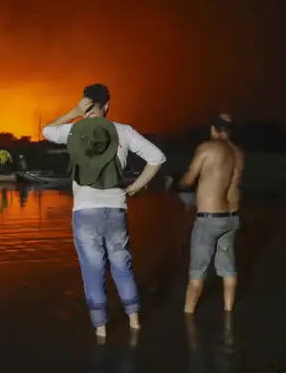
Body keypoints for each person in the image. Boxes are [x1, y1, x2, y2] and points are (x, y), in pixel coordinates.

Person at [43, 84, 166, 339]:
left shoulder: (73, 131)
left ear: (85, 103)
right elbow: (157, 158)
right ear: (107, 105)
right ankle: (134, 323)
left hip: (86, 212)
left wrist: (73, 112)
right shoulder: (124, 132)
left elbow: (46, 131)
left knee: (93, 270)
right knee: (122, 267)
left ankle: (101, 332)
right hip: (116, 208)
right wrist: (134, 188)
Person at [179, 113, 244, 317]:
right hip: (231, 218)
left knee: (197, 275)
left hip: (209, 219)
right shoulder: (238, 153)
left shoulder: (207, 148)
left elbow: (189, 179)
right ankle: (228, 314)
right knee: (229, 271)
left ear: (213, 130)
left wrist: (177, 183)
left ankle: (187, 316)